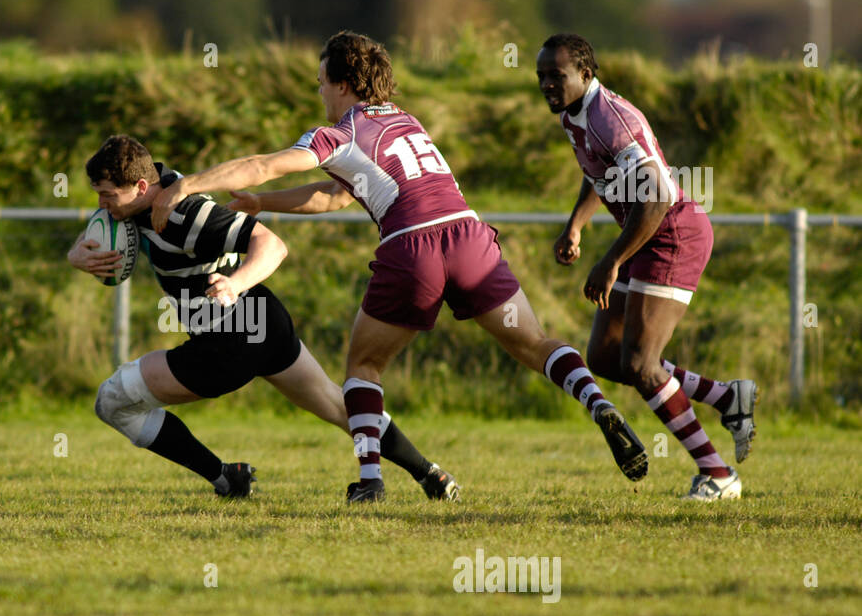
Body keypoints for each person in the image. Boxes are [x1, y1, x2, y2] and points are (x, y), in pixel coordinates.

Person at [149, 31, 649, 502]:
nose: (319, 90)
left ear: (343, 83)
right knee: (534, 343)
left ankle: (370, 480)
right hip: (471, 238)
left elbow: (263, 162)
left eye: (322, 80)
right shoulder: (406, 121)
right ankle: (596, 403)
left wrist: (188, 184)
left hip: (414, 249)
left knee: (363, 368)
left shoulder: (337, 134)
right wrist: (262, 202)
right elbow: (335, 196)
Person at [69, 134, 459, 501]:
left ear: (139, 187)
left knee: (113, 400)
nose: (102, 205)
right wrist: (76, 255)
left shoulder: (186, 214)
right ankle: (430, 473)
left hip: (228, 343)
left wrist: (235, 283)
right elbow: (97, 229)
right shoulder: (140, 200)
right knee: (339, 407)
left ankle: (226, 477)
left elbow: (272, 246)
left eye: (107, 196)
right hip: (263, 322)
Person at [535, 33, 755, 501]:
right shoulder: (573, 116)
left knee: (640, 362)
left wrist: (612, 260)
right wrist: (575, 225)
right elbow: (599, 173)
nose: (548, 85)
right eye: (541, 77)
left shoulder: (611, 119)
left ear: (585, 75)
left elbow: (656, 196)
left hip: (671, 233)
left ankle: (717, 474)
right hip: (641, 235)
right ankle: (725, 397)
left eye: (557, 75)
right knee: (606, 356)